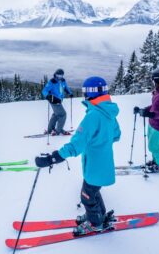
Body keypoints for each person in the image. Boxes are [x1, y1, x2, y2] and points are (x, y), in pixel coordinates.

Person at [35, 76, 121, 235]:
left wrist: (52, 158)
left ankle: (95, 223)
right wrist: (99, 141)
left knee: (87, 196)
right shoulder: (108, 112)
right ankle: (98, 215)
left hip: (95, 165)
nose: (84, 95)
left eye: (85, 92)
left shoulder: (93, 115)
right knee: (93, 191)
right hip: (103, 163)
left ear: (91, 93)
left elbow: (76, 144)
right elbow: (116, 135)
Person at [42, 68, 74, 136]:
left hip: (59, 100)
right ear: (55, 74)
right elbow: (44, 90)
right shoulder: (52, 81)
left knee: (56, 114)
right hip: (54, 100)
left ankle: (50, 129)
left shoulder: (63, 81)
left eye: (61, 75)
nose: (59, 77)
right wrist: (48, 96)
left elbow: (66, 87)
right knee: (62, 114)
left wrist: (70, 93)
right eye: (58, 75)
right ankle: (57, 131)